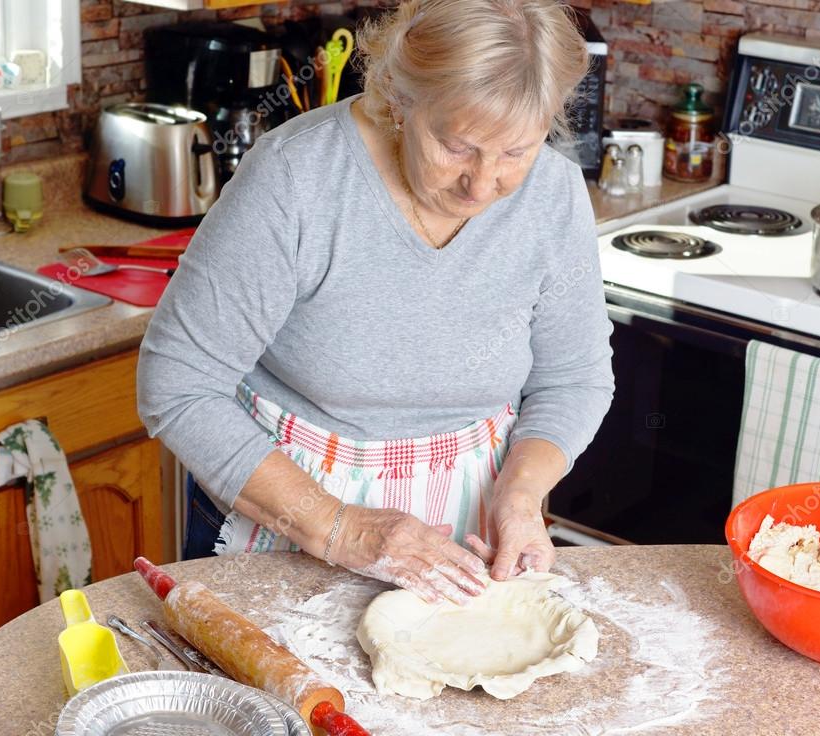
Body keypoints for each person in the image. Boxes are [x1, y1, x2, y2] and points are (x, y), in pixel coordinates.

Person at [137, 0, 614, 606]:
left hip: (468, 516)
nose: (483, 183)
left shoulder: (554, 193)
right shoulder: (298, 178)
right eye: (457, 146)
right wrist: (341, 527)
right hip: (286, 511)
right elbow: (177, 383)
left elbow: (573, 378)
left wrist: (518, 497)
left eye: (516, 151)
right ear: (398, 99)